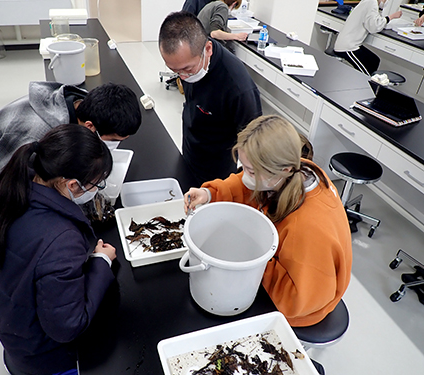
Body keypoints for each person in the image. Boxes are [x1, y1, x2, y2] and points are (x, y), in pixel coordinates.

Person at [0, 124, 116, 375]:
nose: (95, 191)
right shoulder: (61, 240)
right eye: (97, 184)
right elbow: (67, 325)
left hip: (13, 330)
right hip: (48, 357)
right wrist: (101, 263)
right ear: (71, 185)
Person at [184, 115, 352, 327]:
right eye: (243, 166)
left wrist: (257, 260)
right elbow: (246, 186)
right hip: (285, 270)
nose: (245, 176)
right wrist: (209, 194)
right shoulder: (292, 170)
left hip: (301, 307)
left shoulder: (308, 228)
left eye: (252, 172)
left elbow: (297, 301)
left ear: (284, 169)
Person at [0, 81, 142, 194]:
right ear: (89, 126)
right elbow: (3, 177)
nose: (113, 146)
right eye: (113, 140)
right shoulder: (38, 133)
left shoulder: (86, 104)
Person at [159, 11, 262, 185]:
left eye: (187, 69)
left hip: (217, 168)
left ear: (208, 49)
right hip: (190, 150)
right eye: (176, 71)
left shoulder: (238, 88)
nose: (182, 77)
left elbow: (254, 143)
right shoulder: (192, 62)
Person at [334, 0, 402, 75]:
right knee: (366, 75)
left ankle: (369, 84)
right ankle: (367, 85)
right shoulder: (372, 2)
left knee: (374, 60)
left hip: (353, 44)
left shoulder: (369, 2)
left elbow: (372, 21)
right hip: (347, 47)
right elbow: (373, 27)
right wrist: (391, 17)